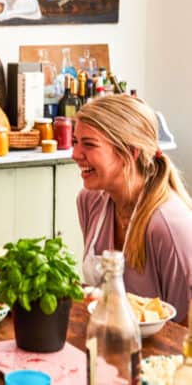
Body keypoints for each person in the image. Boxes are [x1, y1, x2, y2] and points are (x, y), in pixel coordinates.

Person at [72, 95, 192, 323]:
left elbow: (188, 327)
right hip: (107, 340)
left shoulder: (170, 226)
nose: (75, 154)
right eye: (76, 142)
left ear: (131, 151)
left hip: (163, 356)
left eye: (89, 144)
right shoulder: (90, 202)